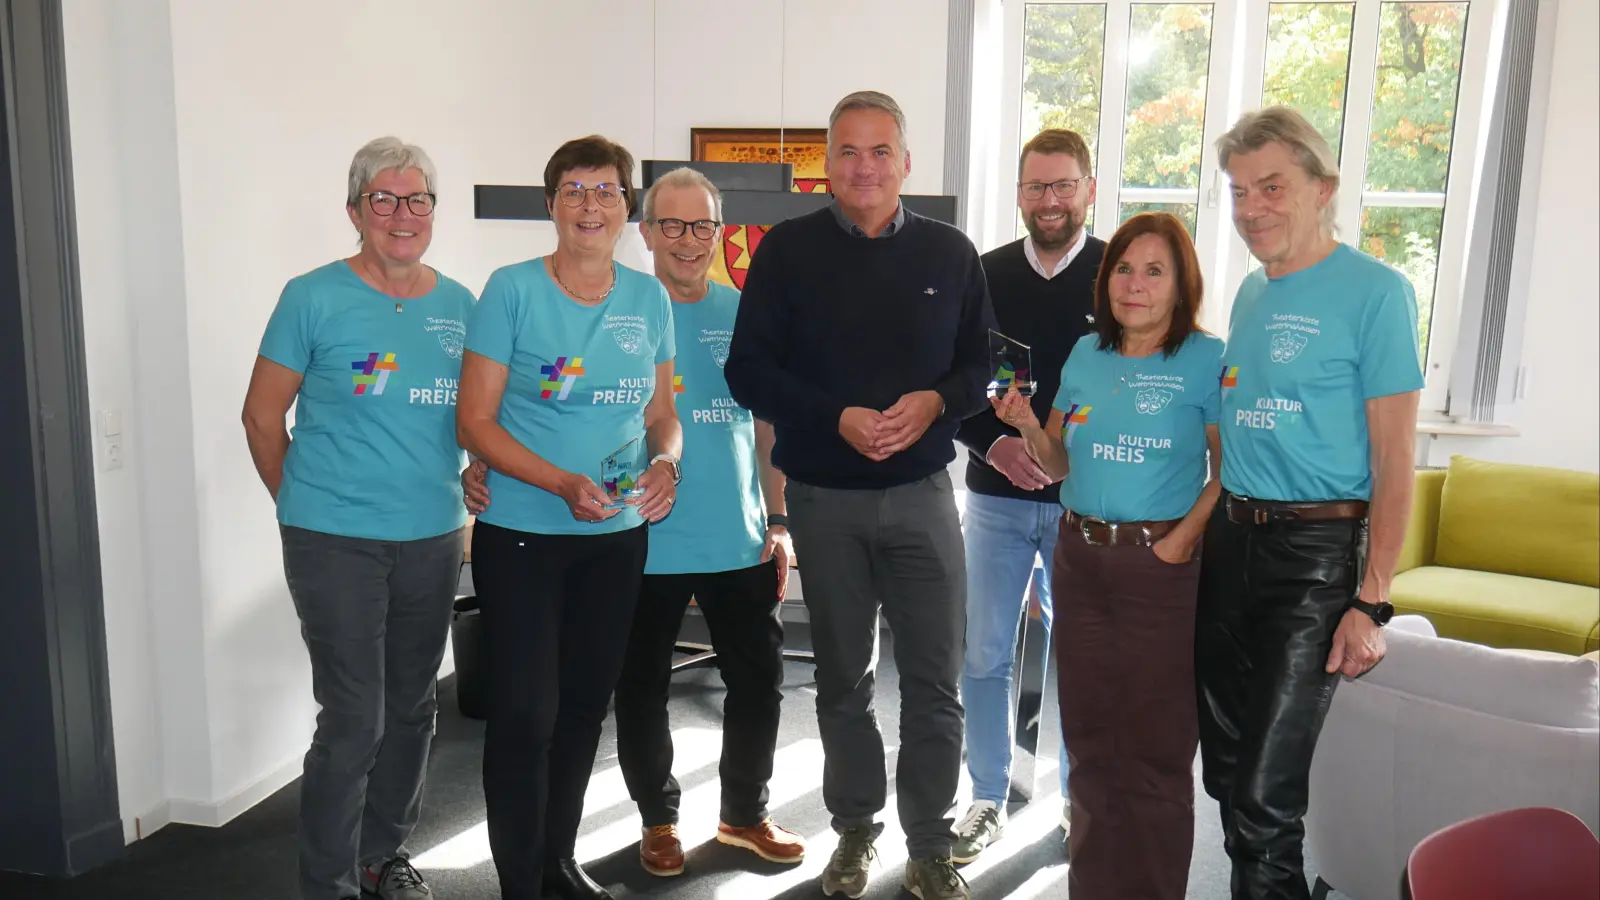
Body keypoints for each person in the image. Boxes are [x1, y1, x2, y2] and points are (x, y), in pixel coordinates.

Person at [462, 167, 807, 877]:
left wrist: (777, 519)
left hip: (734, 535)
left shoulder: (745, 312)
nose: (687, 241)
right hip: (632, 542)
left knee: (758, 682)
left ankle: (744, 815)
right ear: (644, 231)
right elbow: (535, 406)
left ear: (720, 233)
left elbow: (764, 425)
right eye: (671, 225)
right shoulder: (611, 304)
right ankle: (658, 821)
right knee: (637, 690)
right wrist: (489, 464)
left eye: (702, 226)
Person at [724, 90, 992, 900]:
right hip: (823, 500)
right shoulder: (785, 253)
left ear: (907, 163)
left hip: (921, 497)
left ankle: (931, 843)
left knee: (934, 683)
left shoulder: (951, 254)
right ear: (826, 166)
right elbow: (748, 373)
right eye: (848, 151)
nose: (865, 166)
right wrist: (832, 416)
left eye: (881, 151)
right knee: (842, 681)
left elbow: (982, 369)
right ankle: (855, 832)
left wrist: (936, 403)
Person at [241, 136, 473, 900]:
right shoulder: (312, 297)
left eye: (417, 200)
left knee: (413, 708)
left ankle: (382, 856)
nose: (401, 215)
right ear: (355, 210)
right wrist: (305, 508)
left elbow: (480, 417)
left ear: (433, 211)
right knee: (354, 717)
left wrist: (476, 487)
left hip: (432, 538)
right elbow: (261, 417)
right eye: (383, 199)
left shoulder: (459, 307)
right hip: (333, 539)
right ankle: (330, 883)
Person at [1199, 106, 1422, 900]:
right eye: (1237, 191)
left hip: (1315, 561)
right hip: (1232, 548)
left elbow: (1398, 459)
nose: (1250, 208)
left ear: (1322, 189)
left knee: (1265, 794)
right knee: (1225, 772)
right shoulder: (1251, 295)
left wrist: (1375, 598)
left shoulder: (1378, 294)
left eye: (1271, 187)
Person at [455, 135, 682, 900]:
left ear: (628, 207)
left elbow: (663, 415)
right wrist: (557, 482)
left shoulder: (649, 298)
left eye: (608, 190)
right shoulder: (511, 290)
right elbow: (475, 423)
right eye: (575, 189)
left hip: (615, 540)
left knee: (586, 705)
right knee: (525, 712)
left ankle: (556, 860)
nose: (592, 204)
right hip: (523, 532)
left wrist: (667, 464)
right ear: (551, 204)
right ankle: (519, 881)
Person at [995, 212, 1223, 899]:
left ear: (1182, 285)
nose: (1136, 284)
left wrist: (1179, 543)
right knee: (1091, 748)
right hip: (1081, 562)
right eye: (1125, 268)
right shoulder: (1085, 355)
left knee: (1154, 753)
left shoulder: (1206, 358)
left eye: (1156, 271)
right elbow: (1060, 462)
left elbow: (1232, 468)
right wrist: (1028, 426)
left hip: (1162, 572)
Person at [950, 127, 1105, 863]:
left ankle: (1080, 799)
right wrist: (996, 444)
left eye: (1063, 185)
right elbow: (952, 382)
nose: (1050, 201)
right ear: (1018, 195)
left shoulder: (1121, 275)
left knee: (1082, 655)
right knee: (985, 650)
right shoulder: (981, 275)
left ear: (1089, 191)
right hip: (996, 495)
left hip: (1086, 502)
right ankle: (986, 795)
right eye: (1036, 187)